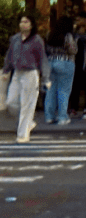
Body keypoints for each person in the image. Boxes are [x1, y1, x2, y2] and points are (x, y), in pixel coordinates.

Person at [2, 15, 50, 143]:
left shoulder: (37, 40)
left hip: (30, 73)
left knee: (27, 105)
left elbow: (42, 59)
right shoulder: (15, 39)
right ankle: (28, 122)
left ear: (31, 25)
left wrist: (46, 78)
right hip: (17, 73)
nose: (23, 24)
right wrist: (6, 70)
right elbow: (10, 55)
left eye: (26, 21)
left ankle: (22, 134)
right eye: (21, 21)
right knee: (11, 102)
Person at [44, 17, 78, 126]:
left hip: (50, 63)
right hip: (65, 62)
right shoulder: (68, 36)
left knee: (51, 90)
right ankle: (62, 117)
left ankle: (49, 116)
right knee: (64, 90)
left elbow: (46, 49)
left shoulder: (50, 34)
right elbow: (73, 50)